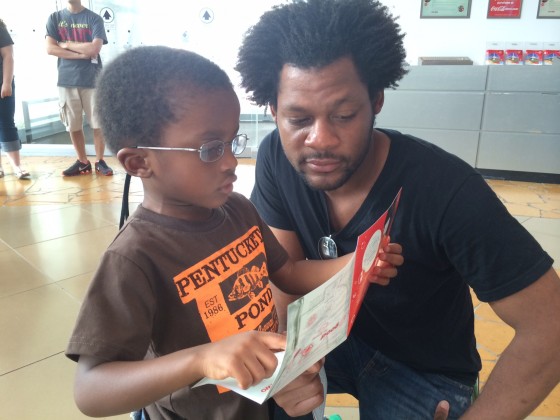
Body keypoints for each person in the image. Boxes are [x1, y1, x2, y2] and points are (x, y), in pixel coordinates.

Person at [236, 0, 560, 419]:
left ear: (376, 100)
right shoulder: (277, 159)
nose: (320, 139)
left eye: (344, 115)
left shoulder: (445, 188)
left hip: (422, 367)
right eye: (298, 119)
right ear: (273, 110)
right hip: (326, 336)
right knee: (242, 392)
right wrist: (285, 363)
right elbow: (283, 274)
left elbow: (549, 324)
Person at [65, 45, 403, 420]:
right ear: (139, 162)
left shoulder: (237, 210)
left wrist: (355, 264)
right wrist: (202, 359)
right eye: (210, 149)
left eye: (232, 142)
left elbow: (288, 273)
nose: (231, 162)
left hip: (270, 397)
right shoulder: (134, 258)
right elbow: (91, 390)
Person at [45, 0, 113, 177]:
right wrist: (81, 54)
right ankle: (83, 162)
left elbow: (94, 48)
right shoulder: (54, 18)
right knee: (72, 125)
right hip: (66, 80)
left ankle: (100, 161)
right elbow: (50, 49)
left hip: (93, 80)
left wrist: (66, 44)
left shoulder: (94, 18)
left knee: (98, 123)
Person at [0, 18, 30, 180]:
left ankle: (17, 166)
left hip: (2, 85)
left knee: (6, 124)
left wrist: (6, 83)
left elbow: (8, 56)